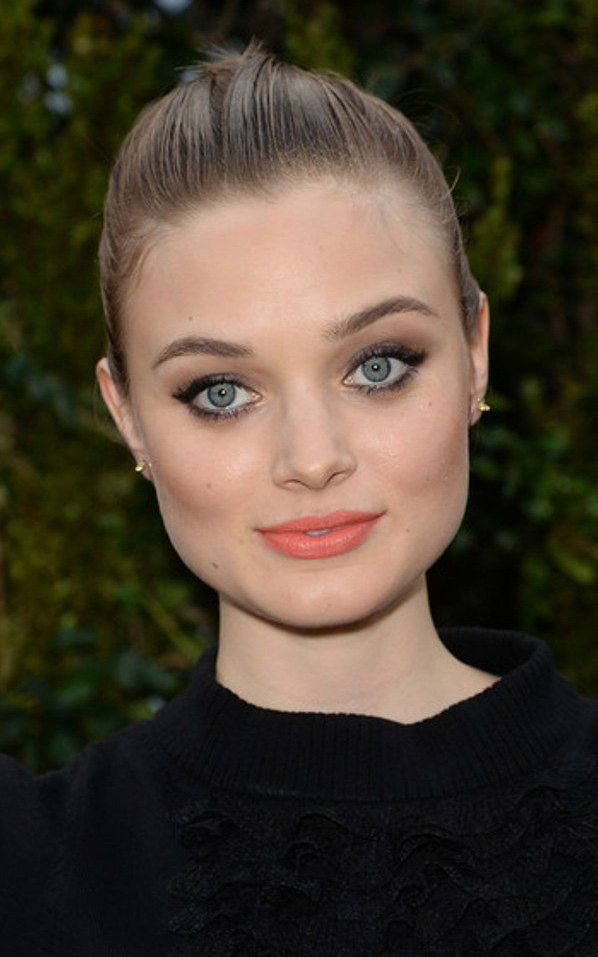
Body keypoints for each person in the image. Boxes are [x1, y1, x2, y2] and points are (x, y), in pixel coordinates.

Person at [2, 38, 598, 957]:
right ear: (128, 419)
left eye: (379, 365)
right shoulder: (26, 869)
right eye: (221, 392)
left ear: (477, 351)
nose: (312, 460)